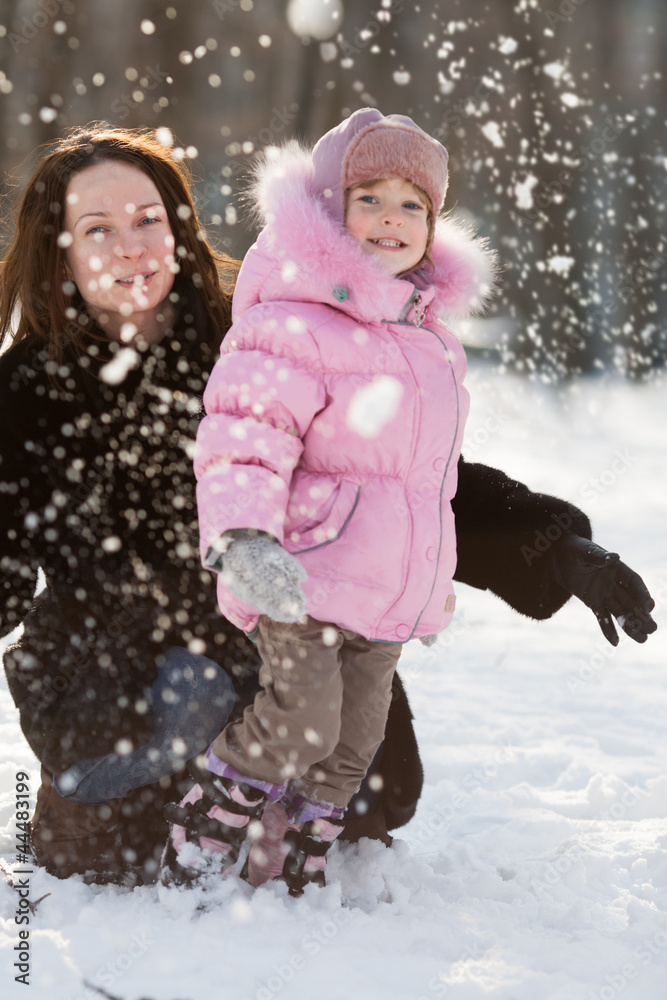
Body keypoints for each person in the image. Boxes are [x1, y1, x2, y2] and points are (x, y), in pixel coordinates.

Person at [161, 107, 656, 897]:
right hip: (303, 575)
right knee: (301, 720)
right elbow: (244, 439)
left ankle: (297, 846)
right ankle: (205, 824)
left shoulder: (426, 341)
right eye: (370, 198)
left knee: (356, 742)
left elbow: (435, 480)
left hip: (387, 593)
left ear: (434, 225)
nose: (391, 218)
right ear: (328, 210)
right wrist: (247, 539)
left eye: (412, 205)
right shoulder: (291, 323)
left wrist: (558, 550)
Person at [0, 124, 258, 884]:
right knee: (95, 853)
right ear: (61, 252)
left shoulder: (252, 346)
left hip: (248, 623)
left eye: (149, 220)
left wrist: (549, 545)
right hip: (99, 647)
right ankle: (158, 757)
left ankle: (220, 734)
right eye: (98, 229)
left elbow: (386, 475)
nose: (132, 247)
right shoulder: (24, 388)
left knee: (380, 796)